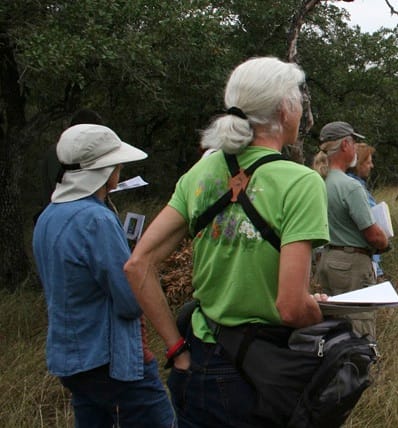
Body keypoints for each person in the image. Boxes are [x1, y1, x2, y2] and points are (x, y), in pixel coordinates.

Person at [123, 57, 330, 427]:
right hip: (258, 371)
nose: (301, 108)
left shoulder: (200, 172)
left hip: (198, 360)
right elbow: (290, 308)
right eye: (298, 99)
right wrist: (317, 310)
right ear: (284, 109)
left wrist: (176, 350)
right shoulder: (301, 182)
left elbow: (138, 264)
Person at [33, 124, 176, 427]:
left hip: (71, 359)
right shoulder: (96, 219)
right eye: (116, 163)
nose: (121, 169)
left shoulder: (48, 217)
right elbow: (129, 300)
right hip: (110, 359)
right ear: (104, 170)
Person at [315, 121, 390, 339]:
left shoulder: (318, 180)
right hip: (352, 265)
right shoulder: (350, 186)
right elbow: (373, 234)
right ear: (346, 145)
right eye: (354, 141)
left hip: (325, 260)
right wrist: (385, 243)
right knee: (359, 325)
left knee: (332, 325)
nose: (356, 147)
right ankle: (359, 369)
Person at [346, 142, 387, 280]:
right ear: (358, 164)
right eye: (368, 162)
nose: (372, 166)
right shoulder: (355, 188)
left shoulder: (349, 184)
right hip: (361, 257)